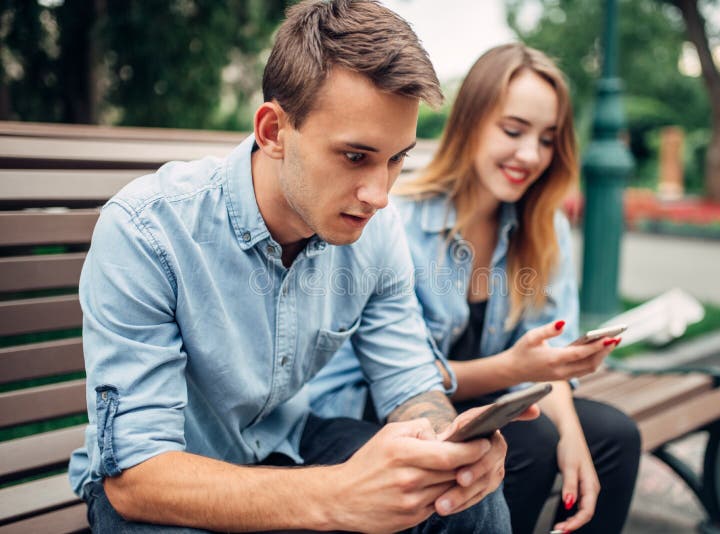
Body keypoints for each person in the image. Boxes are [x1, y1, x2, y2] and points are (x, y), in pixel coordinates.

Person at [68, 2, 528, 532]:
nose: (379, 194)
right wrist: (336, 495)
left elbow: (409, 386)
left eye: (397, 158)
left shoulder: (374, 232)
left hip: (286, 443)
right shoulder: (148, 231)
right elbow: (136, 478)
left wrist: (449, 449)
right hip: (168, 481)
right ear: (273, 130)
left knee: (464, 501)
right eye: (355, 156)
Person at [309, 43, 642, 534]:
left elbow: (542, 356)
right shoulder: (398, 220)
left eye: (547, 139)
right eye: (513, 130)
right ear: (469, 124)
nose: (530, 155)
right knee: (529, 444)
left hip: (490, 401)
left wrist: (571, 431)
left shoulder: (542, 223)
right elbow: (398, 379)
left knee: (612, 436)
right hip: (377, 410)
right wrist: (516, 370)